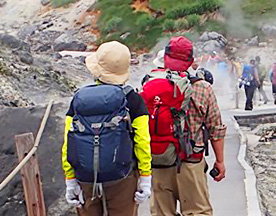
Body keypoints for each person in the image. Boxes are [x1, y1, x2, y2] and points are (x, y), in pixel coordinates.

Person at [61, 41, 152, 216]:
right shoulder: (133, 100)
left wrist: (70, 179)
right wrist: (145, 177)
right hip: (122, 178)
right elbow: (142, 142)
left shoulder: (80, 99)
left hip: (85, 177)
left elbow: (68, 141)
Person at [145, 36, 226, 216]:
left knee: (161, 213)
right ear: (190, 61)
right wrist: (219, 161)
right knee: (198, 212)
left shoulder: (150, 83)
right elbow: (215, 128)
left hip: (160, 160)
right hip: (191, 162)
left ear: (165, 58)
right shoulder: (203, 88)